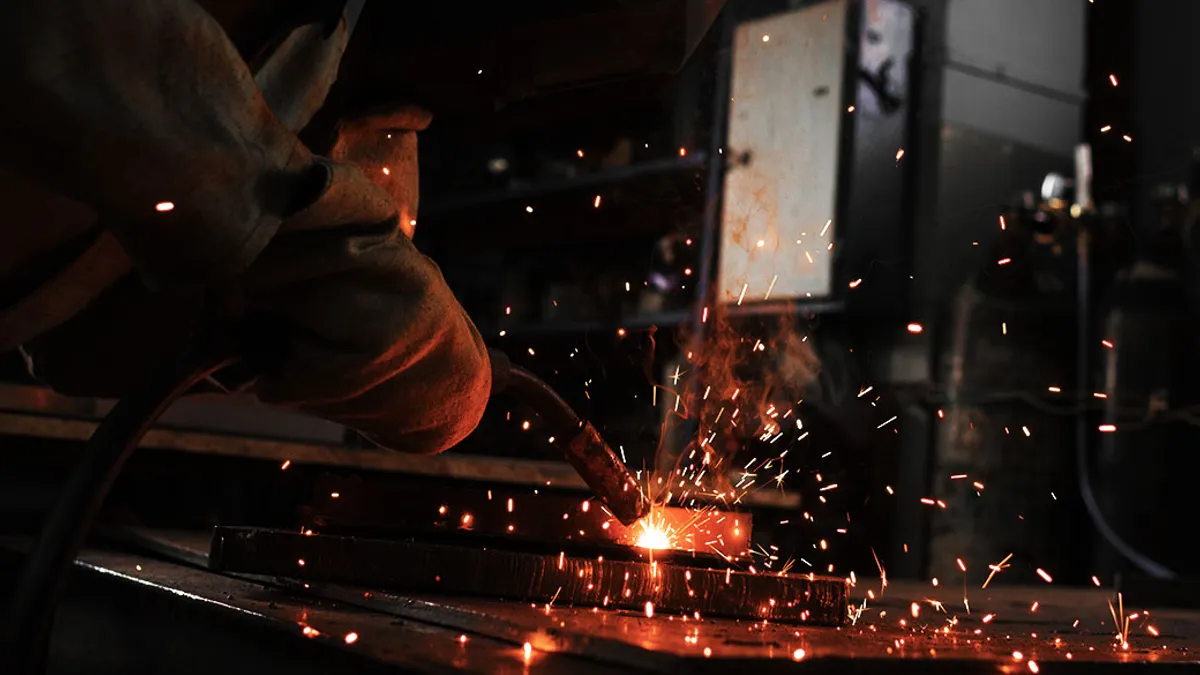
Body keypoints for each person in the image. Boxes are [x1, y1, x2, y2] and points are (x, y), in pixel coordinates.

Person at [0, 0, 492, 454]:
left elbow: (75, 352)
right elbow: (60, 31)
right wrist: (316, 243)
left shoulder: (336, 40)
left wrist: (270, 329)